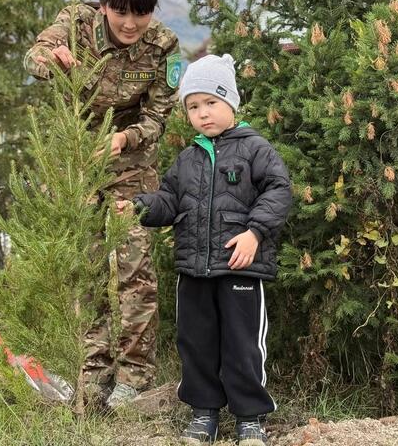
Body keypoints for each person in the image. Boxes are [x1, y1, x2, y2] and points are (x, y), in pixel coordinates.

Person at [24, 0, 182, 408]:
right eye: (121, 12)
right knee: (86, 270)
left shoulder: (166, 46)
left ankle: (134, 376)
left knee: (135, 270)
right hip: (77, 166)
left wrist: (124, 138)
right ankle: (93, 372)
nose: (131, 23)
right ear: (104, 5)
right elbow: (32, 56)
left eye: (142, 13)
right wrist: (52, 61)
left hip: (131, 167)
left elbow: (159, 117)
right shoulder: (75, 22)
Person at [117, 54, 292, 445]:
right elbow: (168, 201)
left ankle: (250, 418)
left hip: (239, 268)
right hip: (193, 270)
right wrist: (140, 207)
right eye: (193, 106)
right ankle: (203, 413)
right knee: (195, 342)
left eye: (211, 103)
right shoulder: (187, 160)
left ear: (231, 102)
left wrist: (255, 232)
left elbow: (279, 191)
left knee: (243, 344)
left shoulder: (255, 149)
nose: (203, 113)